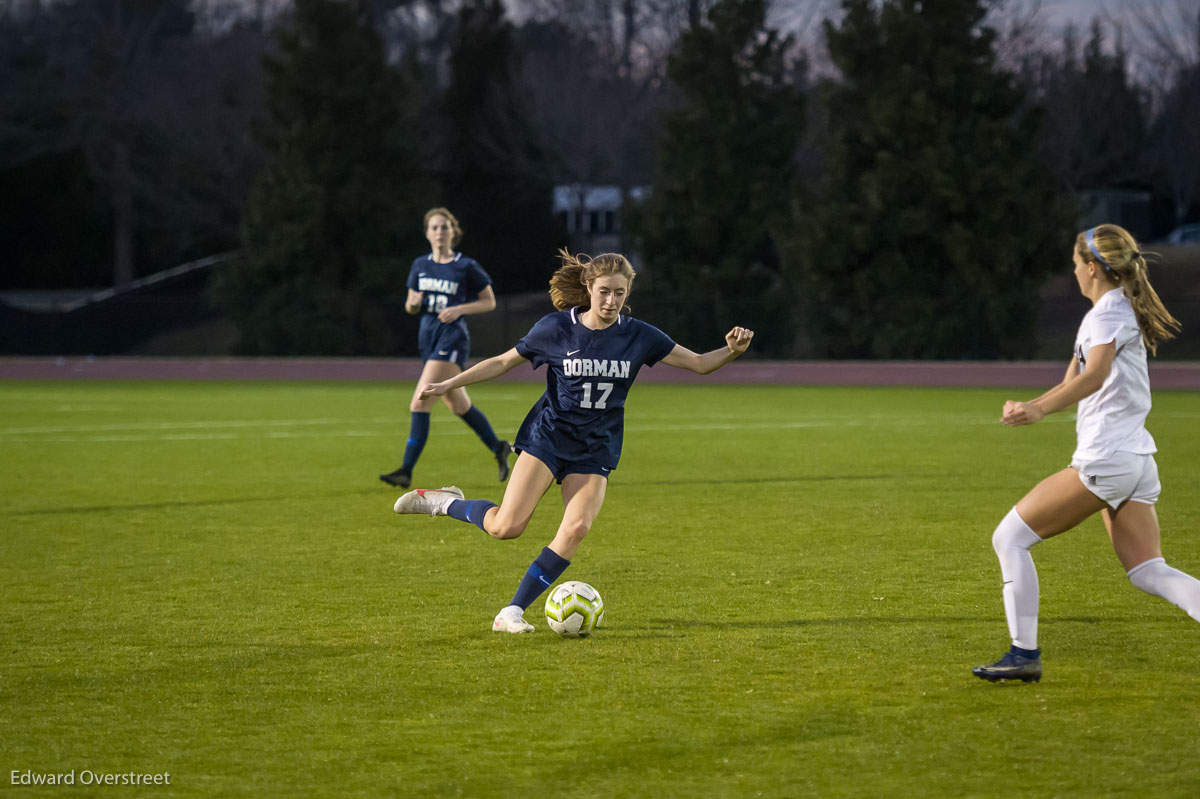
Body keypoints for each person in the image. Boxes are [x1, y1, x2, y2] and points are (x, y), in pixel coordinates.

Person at [391, 249, 755, 633]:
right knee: (506, 527)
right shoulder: (555, 328)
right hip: (549, 437)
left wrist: (731, 351)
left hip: (596, 446)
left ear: (628, 291)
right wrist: (449, 382)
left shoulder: (639, 336)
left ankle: (511, 612)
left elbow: (699, 363)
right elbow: (501, 362)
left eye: (619, 292)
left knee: (577, 527)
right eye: (604, 292)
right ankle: (446, 502)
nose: (611, 301)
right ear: (588, 287)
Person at [973, 223, 1200, 683]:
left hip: (1108, 460)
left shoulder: (1107, 314)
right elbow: (1073, 379)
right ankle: (1023, 654)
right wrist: (1032, 404)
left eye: (1076, 264)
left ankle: (1023, 654)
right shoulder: (1106, 310)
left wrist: (1037, 410)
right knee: (1148, 571)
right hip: (1135, 460)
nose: (1073, 272)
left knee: (1009, 538)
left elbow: (1094, 376)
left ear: (1093, 267)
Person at [380, 207, 512, 489]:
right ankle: (498, 446)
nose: (440, 232)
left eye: (445, 227)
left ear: (454, 232)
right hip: (428, 336)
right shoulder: (420, 265)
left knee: (420, 400)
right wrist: (413, 304)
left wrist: (459, 309)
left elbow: (489, 302)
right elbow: (410, 304)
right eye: (435, 227)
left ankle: (405, 470)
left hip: (452, 338)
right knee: (458, 404)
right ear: (427, 233)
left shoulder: (466, 266)